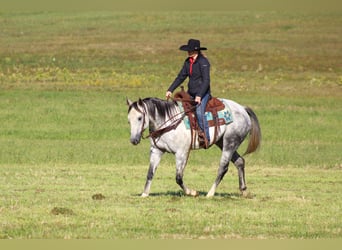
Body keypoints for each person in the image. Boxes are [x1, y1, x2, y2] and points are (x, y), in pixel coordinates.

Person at [165, 39, 211, 148]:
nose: (188, 52)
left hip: (203, 93)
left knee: (199, 112)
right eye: (188, 50)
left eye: (190, 50)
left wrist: (199, 95)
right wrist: (170, 89)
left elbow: (206, 81)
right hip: (191, 92)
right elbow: (181, 77)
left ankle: (206, 137)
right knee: (179, 107)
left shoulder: (203, 62)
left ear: (196, 51)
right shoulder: (188, 62)